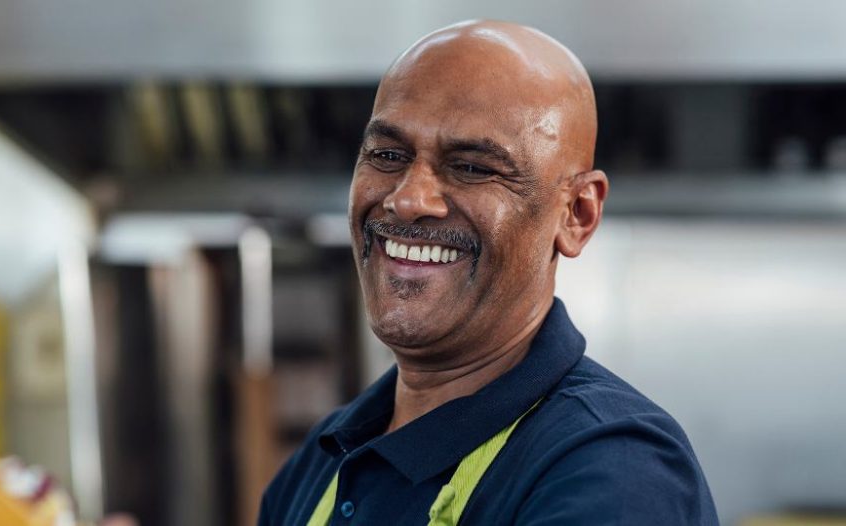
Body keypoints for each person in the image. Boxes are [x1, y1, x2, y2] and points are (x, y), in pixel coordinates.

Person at [260, 20, 718, 525]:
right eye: (388, 155)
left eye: (473, 168)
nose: (408, 199)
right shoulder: (319, 465)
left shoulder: (614, 471)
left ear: (577, 214)